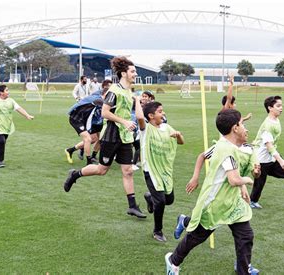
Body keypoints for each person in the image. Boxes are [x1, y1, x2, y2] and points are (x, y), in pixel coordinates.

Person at [165, 109, 260, 275]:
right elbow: (234, 179)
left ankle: (243, 269)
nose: (246, 128)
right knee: (197, 236)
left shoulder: (229, 147)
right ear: (235, 128)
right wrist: (247, 181)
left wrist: (242, 185)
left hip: (233, 202)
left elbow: (230, 174)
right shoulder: (226, 149)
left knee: (245, 236)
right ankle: (173, 261)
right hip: (214, 203)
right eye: (242, 124)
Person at [63, 56, 146, 219]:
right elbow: (104, 112)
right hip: (111, 136)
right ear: (124, 73)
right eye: (133, 71)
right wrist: (124, 122)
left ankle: (132, 206)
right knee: (102, 170)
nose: (135, 74)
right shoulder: (114, 91)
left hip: (125, 137)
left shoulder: (129, 92)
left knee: (128, 171)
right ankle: (75, 174)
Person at [135, 99, 184, 242]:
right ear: (151, 116)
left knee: (169, 200)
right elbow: (139, 117)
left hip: (165, 169)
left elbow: (181, 142)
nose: (163, 113)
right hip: (151, 169)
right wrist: (137, 101)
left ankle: (150, 198)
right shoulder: (146, 129)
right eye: (160, 111)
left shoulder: (167, 127)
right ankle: (157, 231)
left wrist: (178, 135)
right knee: (161, 201)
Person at [249, 95, 284, 209]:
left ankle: (263, 172)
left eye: (281, 105)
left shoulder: (275, 120)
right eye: (278, 106)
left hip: (270, 156)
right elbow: (269, 146)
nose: (281, 108)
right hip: (262, 157)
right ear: (270, 108)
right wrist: (281, 160)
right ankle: (252, 201)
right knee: (259, 183)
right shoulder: (268, 125)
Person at [65, 80, 113, 165]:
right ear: (105, 95)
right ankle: (89, 161)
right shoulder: (98, 99)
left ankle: (70, 150)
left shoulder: (99, 95)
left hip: (85, 120)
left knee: (94, 139)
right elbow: (108, 109)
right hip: (75, 118)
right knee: (88, 139)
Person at [0, 85, 34, 168]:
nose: (8, 92)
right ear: (1, 92)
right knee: (1, 142)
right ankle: (0, 161)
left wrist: (27, 115)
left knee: (1, 142)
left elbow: (19, 108)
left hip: (7, 126)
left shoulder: (11, 101)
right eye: (7, 90)